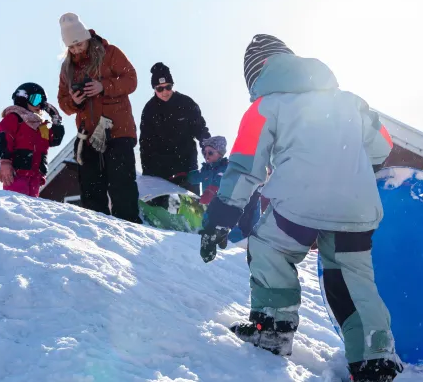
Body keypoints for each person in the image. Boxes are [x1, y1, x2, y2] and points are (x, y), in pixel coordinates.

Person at [199, 34, 402, 382]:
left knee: (268, 248)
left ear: (260, 71)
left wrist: (221, 215)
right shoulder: (349, 101)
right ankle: (375, 358)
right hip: (356, 209)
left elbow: (247, 166)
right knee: (351, 280)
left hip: (299, 205)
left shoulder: (265, 106)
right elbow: (382, 146)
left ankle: (273, 327)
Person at [57, 12, 141, 224]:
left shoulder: (110, 53)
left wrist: (104, 86)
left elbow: (131, 79)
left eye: (79, 44)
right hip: (87, 134)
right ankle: (98, 231)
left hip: (118, 130)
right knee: (91, 187)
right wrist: (74, 101)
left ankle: (130, 227)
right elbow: (63, 102)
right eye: (72, 47)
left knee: (122, 185)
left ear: (86, 36)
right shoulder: (67, 68)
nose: (76, 49)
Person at [139, 62, 210, 195]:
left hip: (186, 164)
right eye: (160, 89)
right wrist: (147, 173)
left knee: (190, 201)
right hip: (161, 167)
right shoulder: (149, 110)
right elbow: (145, 143)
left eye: (168, 87)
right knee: (166, 203)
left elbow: (200, 129)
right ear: (154, 89)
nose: (164, 92)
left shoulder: (186, 103)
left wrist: (208, 146)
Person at [0, 82, 65, 196]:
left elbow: (54, 140)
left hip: (36, 176)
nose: (39, 104)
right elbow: (5, 138)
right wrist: (5, 162)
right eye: (36, 99)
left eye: (42, 101)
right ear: (22, 98)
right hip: (17, 173)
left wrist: (56, 120)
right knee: (17, 205)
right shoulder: (14, 117)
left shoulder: (40, 125)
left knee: (30, 209)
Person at [188, 136, 229, 205]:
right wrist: (184, 177)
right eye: (204, 153)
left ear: (220, 154)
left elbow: (219, 181)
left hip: (223, 206)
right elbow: (195, 176)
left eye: (210, 153)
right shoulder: (205, 170)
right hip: (208, 206)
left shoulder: (225, 168)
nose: (206, 156)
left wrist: (211, 191)